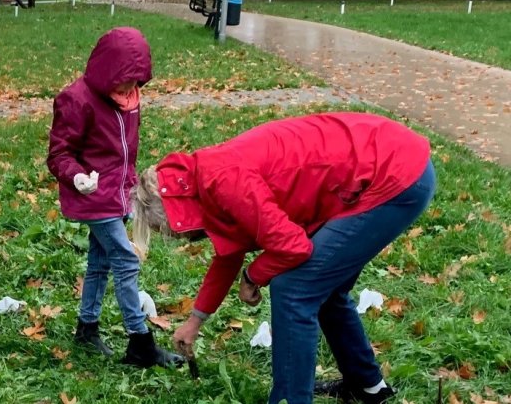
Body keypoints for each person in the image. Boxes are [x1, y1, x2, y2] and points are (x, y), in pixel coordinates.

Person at [131, 112, 435, 403]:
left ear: (175, 209)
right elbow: (229, 253)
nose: (182, 237)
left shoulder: (225, 181)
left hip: (394, 172)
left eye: (172, 230)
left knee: (294, 287)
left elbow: (294, 247)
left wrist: (254, 275)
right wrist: (195, 321)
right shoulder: (207, 177)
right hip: (388, 160)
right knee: (323, 288)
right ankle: (368, 388)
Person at [47, 26, 184, 368]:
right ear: (107, 71)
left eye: (136, 82)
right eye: (123, 82)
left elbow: (124, 150)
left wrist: (131, 184)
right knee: (125, 259)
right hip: (93, 197)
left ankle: (87, 328)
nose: (128, 90)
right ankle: (140, 343)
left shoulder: (130, 98)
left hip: (119, 192)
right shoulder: (77, 99)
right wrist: (76, 176)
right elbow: (59, 153)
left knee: (100, 262)